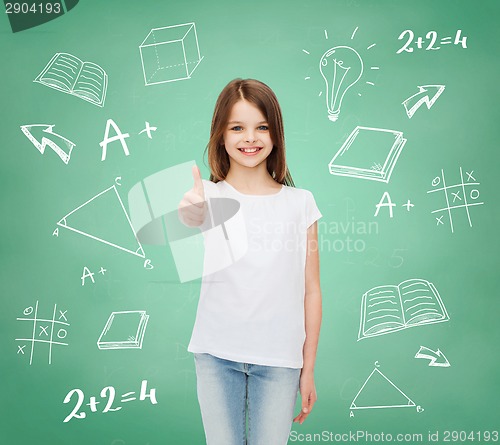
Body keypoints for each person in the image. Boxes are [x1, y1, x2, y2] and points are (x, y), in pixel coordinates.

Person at [178, 78, 322, 445]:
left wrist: (308, 369)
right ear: (221, 135)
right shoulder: (207, 195)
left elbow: (311, 290)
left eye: (261, 127)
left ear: (275, 134)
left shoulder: (300, 202)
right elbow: (190, 215)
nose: (250, 138)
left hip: (280, 361)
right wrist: (191, 209)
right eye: (237, 127)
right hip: (216, 356)